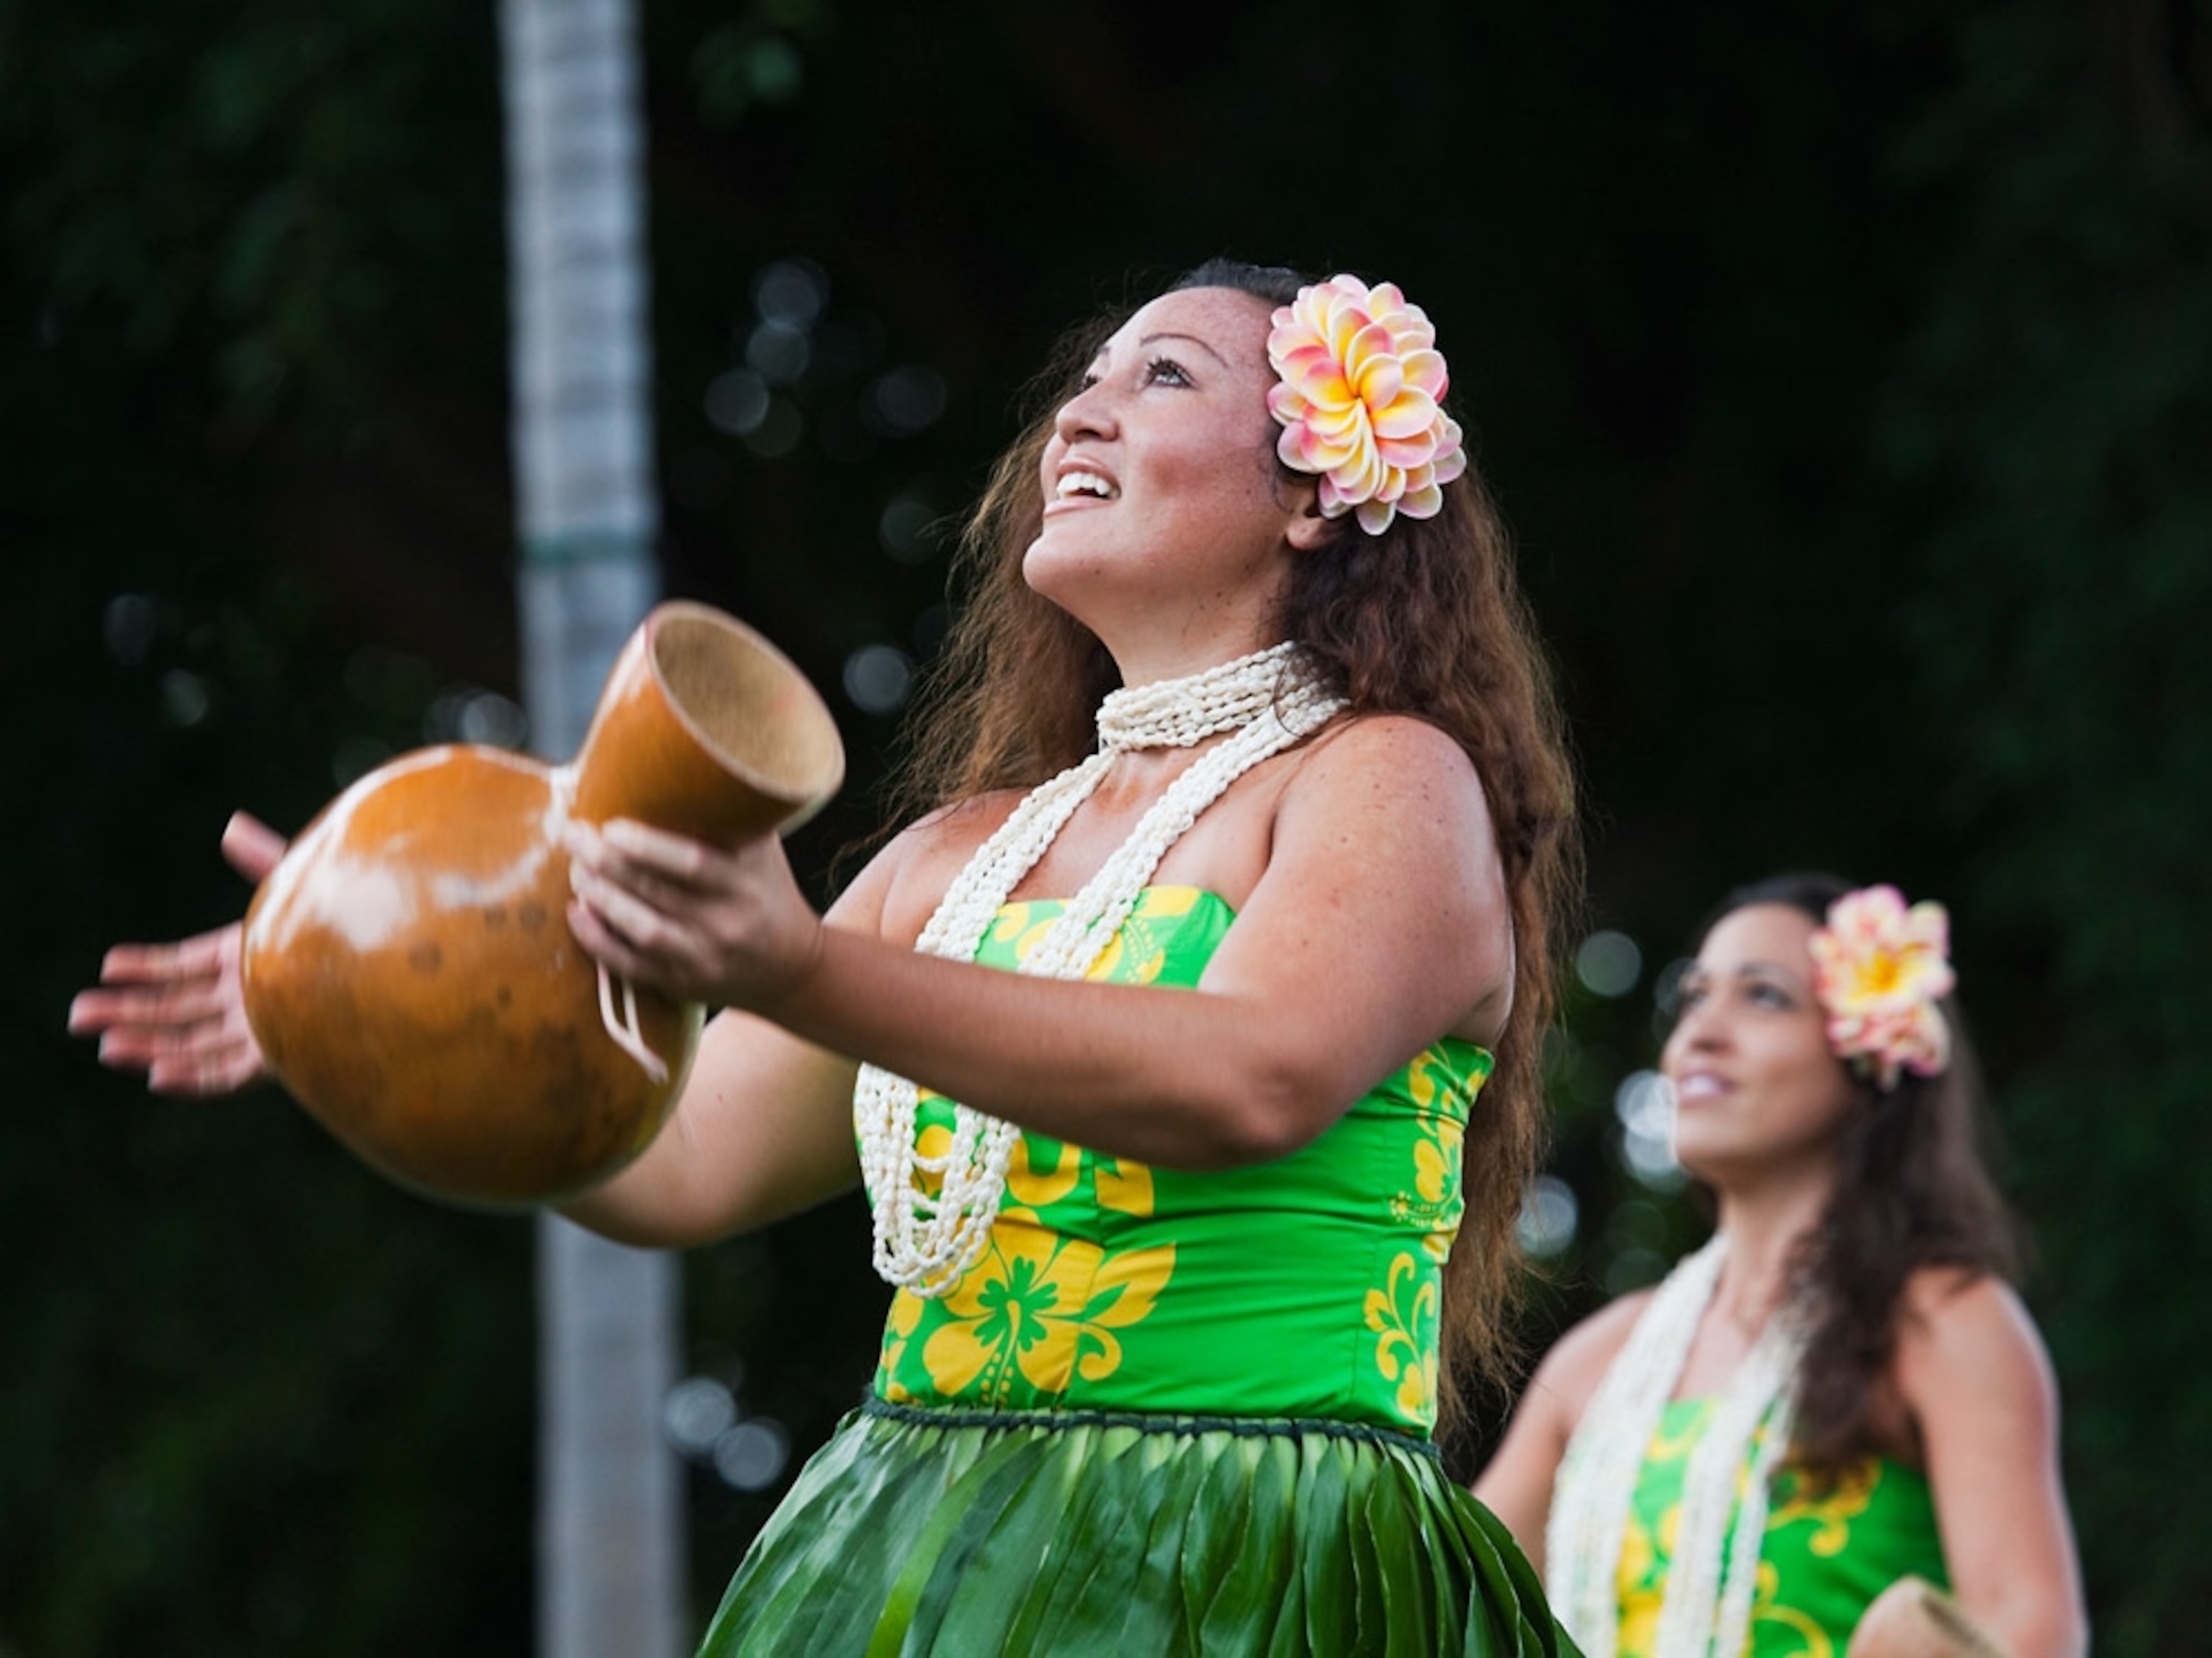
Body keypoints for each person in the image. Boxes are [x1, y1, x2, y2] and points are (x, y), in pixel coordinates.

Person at [73, 259, 1581, 1654]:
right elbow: (670, 1163)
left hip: (1260, 1560)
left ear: (1316, 497)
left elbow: (1256, 1076)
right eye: (1087, 376)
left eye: (1165, 376)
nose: (1084, 407)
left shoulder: (1386, 781)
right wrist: (386, 1019)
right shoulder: (952, 860)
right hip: (932, 1550)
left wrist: (793, 966)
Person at [1473, 874, 2087, 1658]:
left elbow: (2032, 1633)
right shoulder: (1600, 1361)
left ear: (1871, 1053)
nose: (1701, 1030)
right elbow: (1445, 1608)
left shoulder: (1946, 1321)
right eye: (1693, 997)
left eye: (1762, 996)